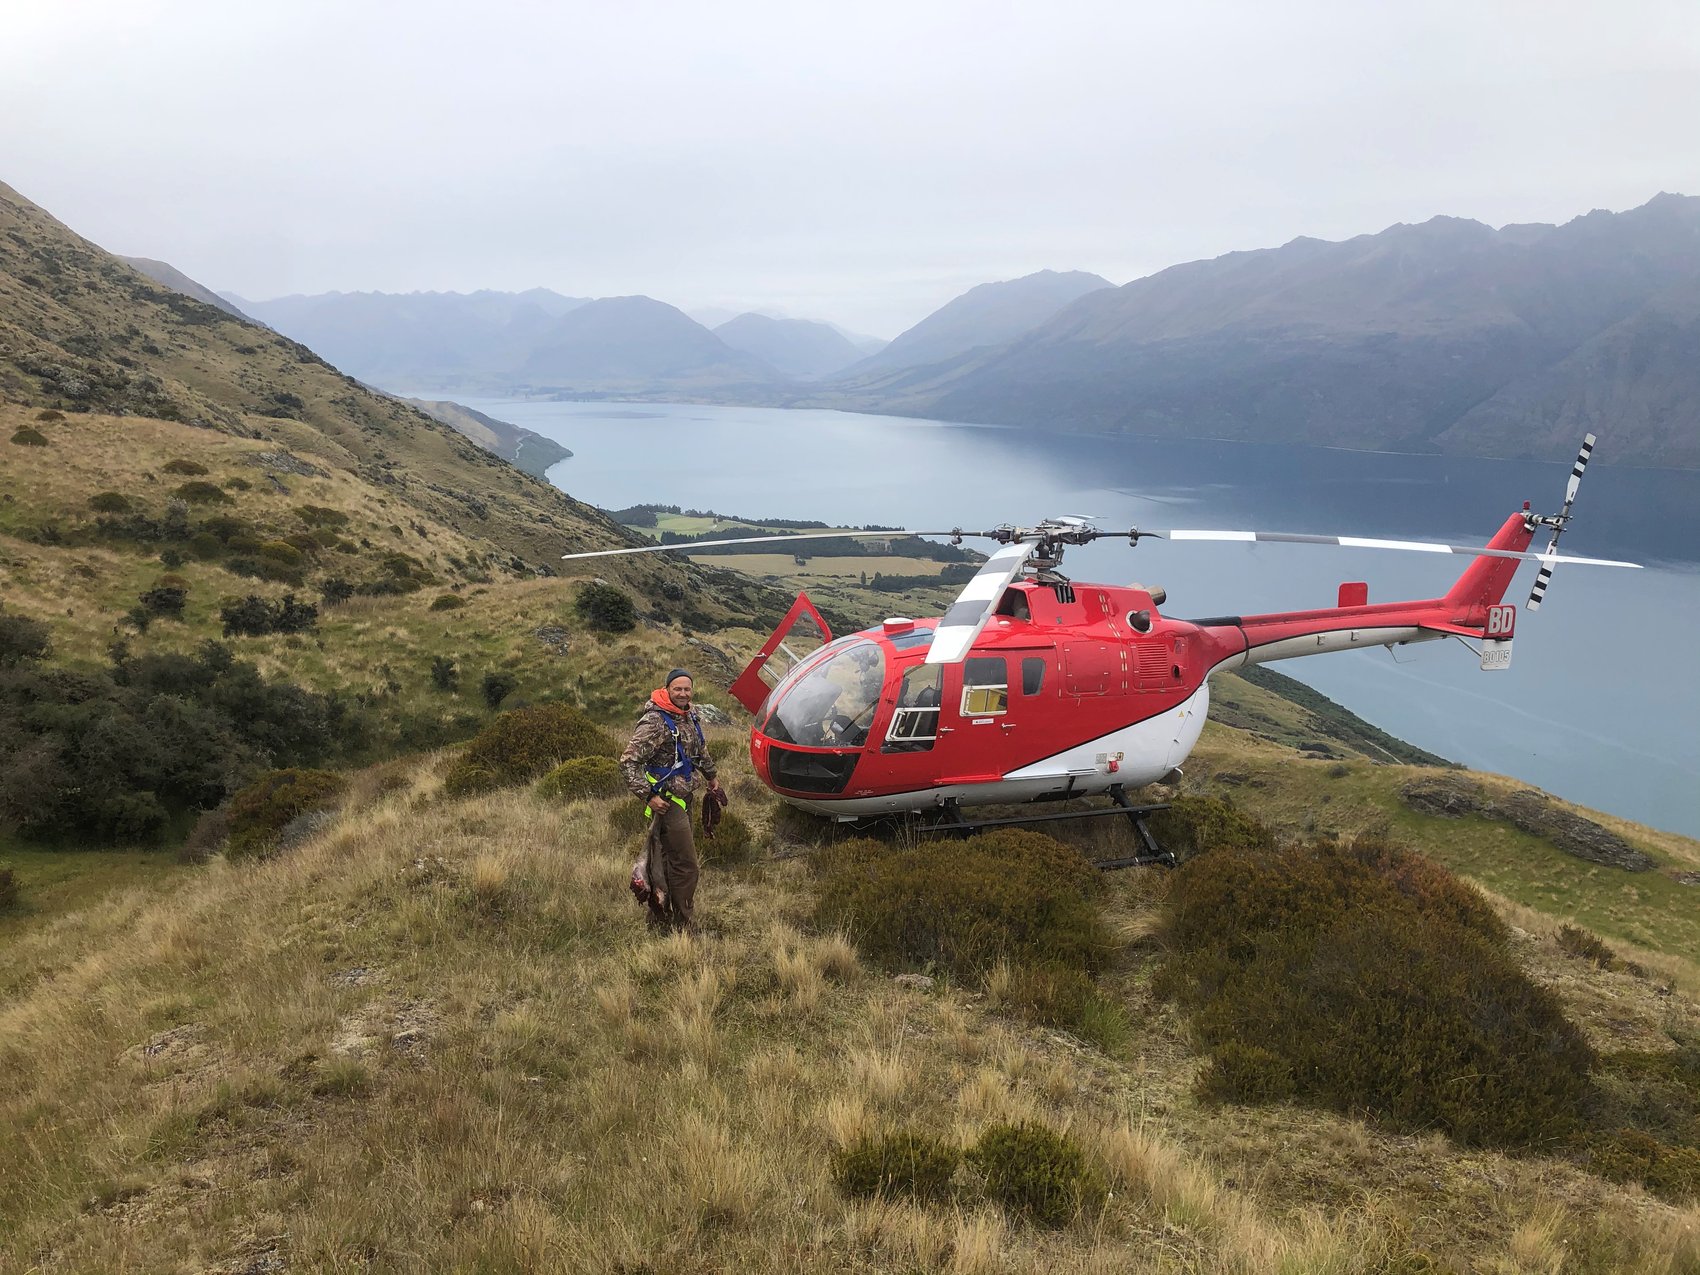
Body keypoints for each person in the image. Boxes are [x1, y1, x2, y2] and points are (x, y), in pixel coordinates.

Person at [620, 668, 722, 934]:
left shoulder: (690, 715)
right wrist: (649, 796)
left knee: (665, 859)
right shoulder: (654, 722)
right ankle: (684, 923)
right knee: (687, 865)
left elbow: (698, 751)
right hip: (666, 802)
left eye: (687, 689)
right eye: (677, 689)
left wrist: (711, 777)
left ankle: (659, 919)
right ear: (667, 689)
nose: (683, 693)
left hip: (685, 797)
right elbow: (628, 762)